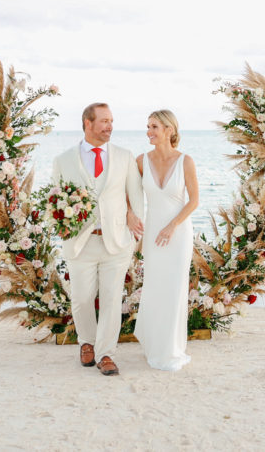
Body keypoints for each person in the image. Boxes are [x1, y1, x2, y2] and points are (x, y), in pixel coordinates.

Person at [51, 103, 144, 376]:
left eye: (111, 121)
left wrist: (133, 223)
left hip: (116, 241)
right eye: (104, 121)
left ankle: (105, 354)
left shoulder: (124, 157)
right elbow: (55, 199)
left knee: (112, 300)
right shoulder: (63, 160)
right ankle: (86, 342)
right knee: (81, 298)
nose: (110, 126)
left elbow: (136, 196)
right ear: (87, 124)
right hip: (80, 242)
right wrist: (61, 226)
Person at [134, 109, 199, 371]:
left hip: (178, 233)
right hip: (152, 233)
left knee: (174, 289)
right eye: (148, 126)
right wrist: (130, 214)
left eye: (154, 127)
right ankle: (154, 345)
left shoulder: (186, 161)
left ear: (169, 130)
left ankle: (170, 349)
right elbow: (130, 194)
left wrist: (172, 226)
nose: (149, 132)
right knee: (154, 287)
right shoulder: (141, 161)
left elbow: (194, 201)